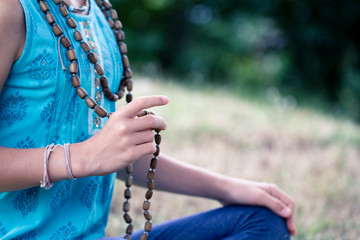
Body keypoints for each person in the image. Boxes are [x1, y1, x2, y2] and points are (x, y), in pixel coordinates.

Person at [0, 0, 296, 239]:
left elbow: (108, 154)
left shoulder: (100, 12)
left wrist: (227, 188)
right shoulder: (10, 10)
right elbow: (91, 155)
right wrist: (80, 157)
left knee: (262, 222)